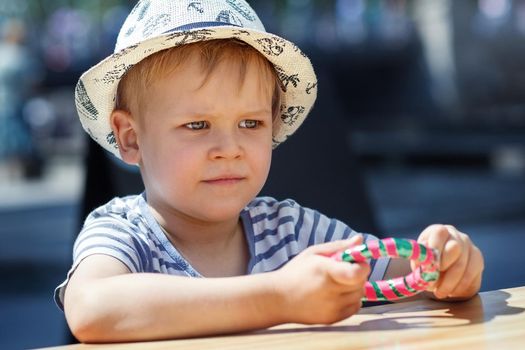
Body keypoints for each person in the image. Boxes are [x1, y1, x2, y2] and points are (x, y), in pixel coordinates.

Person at [55, 0, 484, 343]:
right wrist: (281, 296)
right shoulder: (123, 233)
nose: (230, 149)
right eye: (197, 125)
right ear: (130, 138)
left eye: (250, 123)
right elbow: (93, 309)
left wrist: (447, 266)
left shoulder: (291, 230)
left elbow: (402, 276)